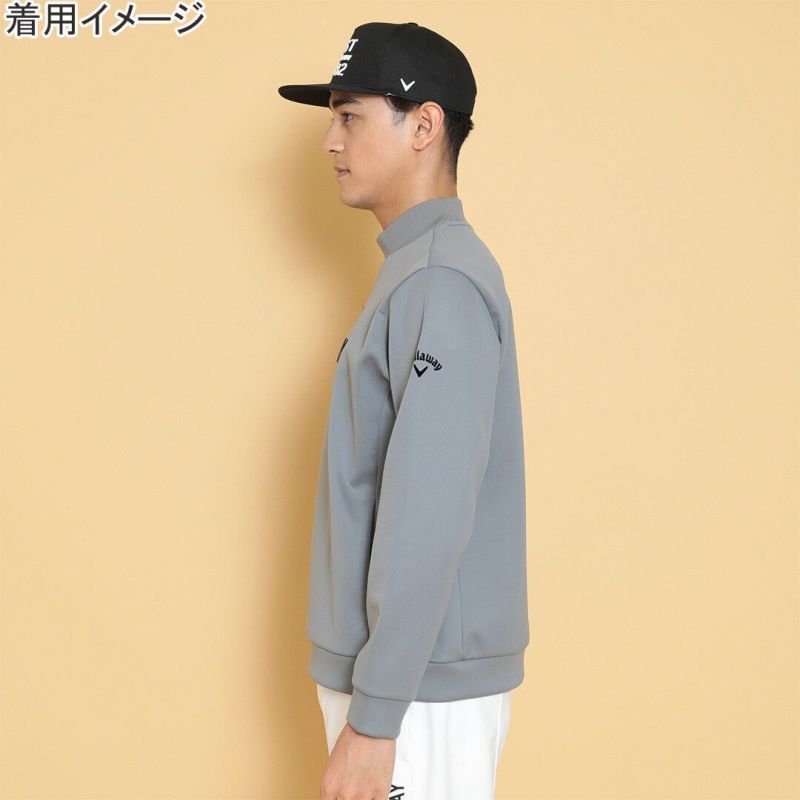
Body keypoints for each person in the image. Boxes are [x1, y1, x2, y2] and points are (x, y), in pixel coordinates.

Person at [278, 20, 530, 800]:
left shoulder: (438, 283)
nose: (331, 141)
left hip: (417, 696)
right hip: (404, 684)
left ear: (424, 126)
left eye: (350, 115)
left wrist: (377, 717)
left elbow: (429, 512)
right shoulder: (415, 272)